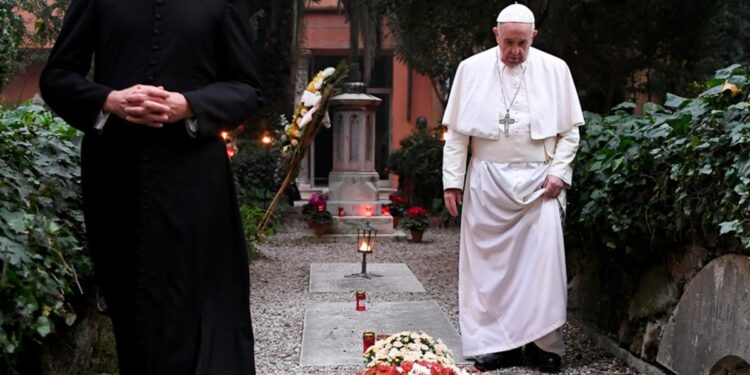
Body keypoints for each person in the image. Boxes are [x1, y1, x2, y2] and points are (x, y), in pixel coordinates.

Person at [39, 0, 263, 373]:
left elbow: (248, 88)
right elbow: (57, 77)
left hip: (195, 182)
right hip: (117, 180)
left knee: (197, 307)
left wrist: (189, 105)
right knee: (133, 309)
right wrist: (109, 100)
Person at [442, 3, 583, 373]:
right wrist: (452, 183)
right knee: (489, 269)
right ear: (496, 35)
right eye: (508, 42)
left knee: (542, 267)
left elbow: (570, 132)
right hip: (487, 181)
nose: (515, 51)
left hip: (540, 184)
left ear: (534, 37)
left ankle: (542, 346)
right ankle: (494, 345)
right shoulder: (470, 70)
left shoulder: (556, 69)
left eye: (522, 42)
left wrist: (559, 172)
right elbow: (456, 135)